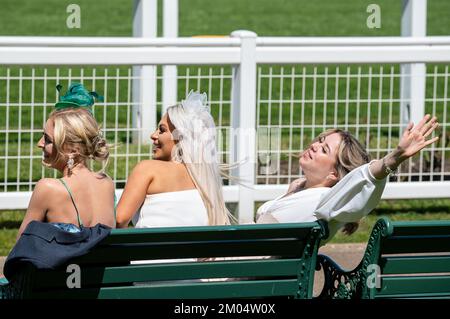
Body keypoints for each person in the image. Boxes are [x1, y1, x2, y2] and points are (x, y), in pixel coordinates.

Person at [256, 114, 439, 242]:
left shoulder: (326, 201)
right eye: (320, 141)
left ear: (334, 174)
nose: (314, 146)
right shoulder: (300, 189)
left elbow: (364, 178)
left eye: (324, 149)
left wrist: (394, 158)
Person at [116, 91, 233, 229]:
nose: (153, 135)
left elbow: (119, 220)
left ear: (181, 137)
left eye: (162, 130)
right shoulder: (205, 180)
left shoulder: (147, 170)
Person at [16, 83, 116, 238]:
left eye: (48, 140)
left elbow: (21, 247)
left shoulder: (48, 188)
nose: (39, 143)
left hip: (68, 264)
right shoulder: (107, 183)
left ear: (72, 150)